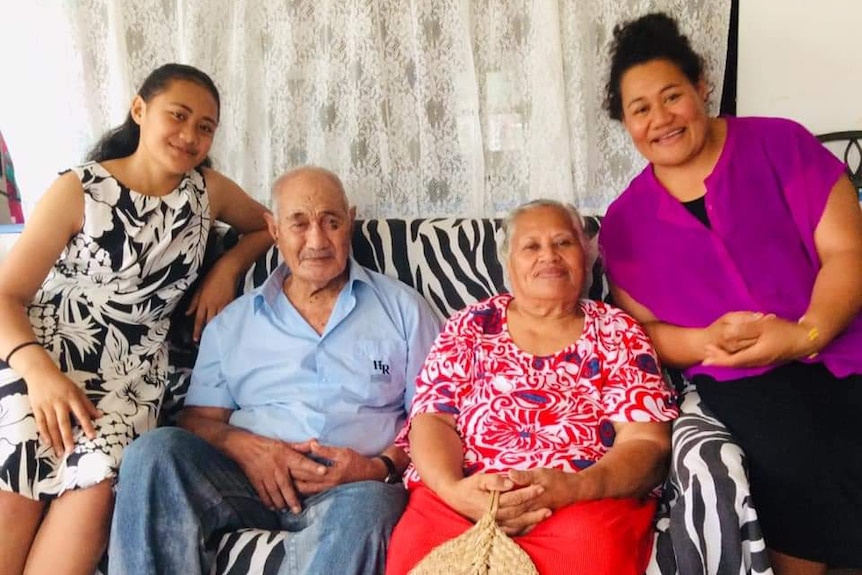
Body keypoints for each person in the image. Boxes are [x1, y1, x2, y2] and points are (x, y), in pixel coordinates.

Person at [600, 13, 862, 575]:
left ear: (701, 86)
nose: (660, 119)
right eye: (639, 109)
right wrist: (705, 340)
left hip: (842, 343)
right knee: (791, 455)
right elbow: (644, 333)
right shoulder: (624, 222)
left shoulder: (780, 143)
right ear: (625, 123)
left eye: (672, 96)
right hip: (739, 376)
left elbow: (848, 252)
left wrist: (804, 332)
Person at [0, 63, 273, 575]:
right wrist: (39, 375)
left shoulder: (207, 193)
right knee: (19, 464)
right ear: (140, 110)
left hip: (130, 380)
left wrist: (228, 265)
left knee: (98, 482)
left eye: (206, 127)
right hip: (43, 360)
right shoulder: (79, 190)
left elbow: (269, 226)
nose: (191, 135)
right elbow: (5, 295)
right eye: (179, 115)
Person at [108, 166, 441, 575]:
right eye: (299, 223)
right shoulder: (233, 322)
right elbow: (198, 421)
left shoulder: (404, 310)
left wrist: (377, 468)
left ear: (349, 223)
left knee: (371, 503)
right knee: (153, 452)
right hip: (246, 482)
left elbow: (437, 420)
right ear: (274, 229)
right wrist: (246, 448)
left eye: (331, 222)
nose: (317, 240)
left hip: (352, 488)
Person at [385, 199, 678, 575]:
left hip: (584, 501)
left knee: (593, 555)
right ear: (509, 265)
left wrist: (576, 487)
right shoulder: (471, 325)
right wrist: (454, 491)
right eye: (531, 246)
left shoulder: (617, 331)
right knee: (417, 555)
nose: (549, 257)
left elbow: (646, 443)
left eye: (563, 243)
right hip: (465, 498)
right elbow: (432, 420)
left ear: (585, 259)